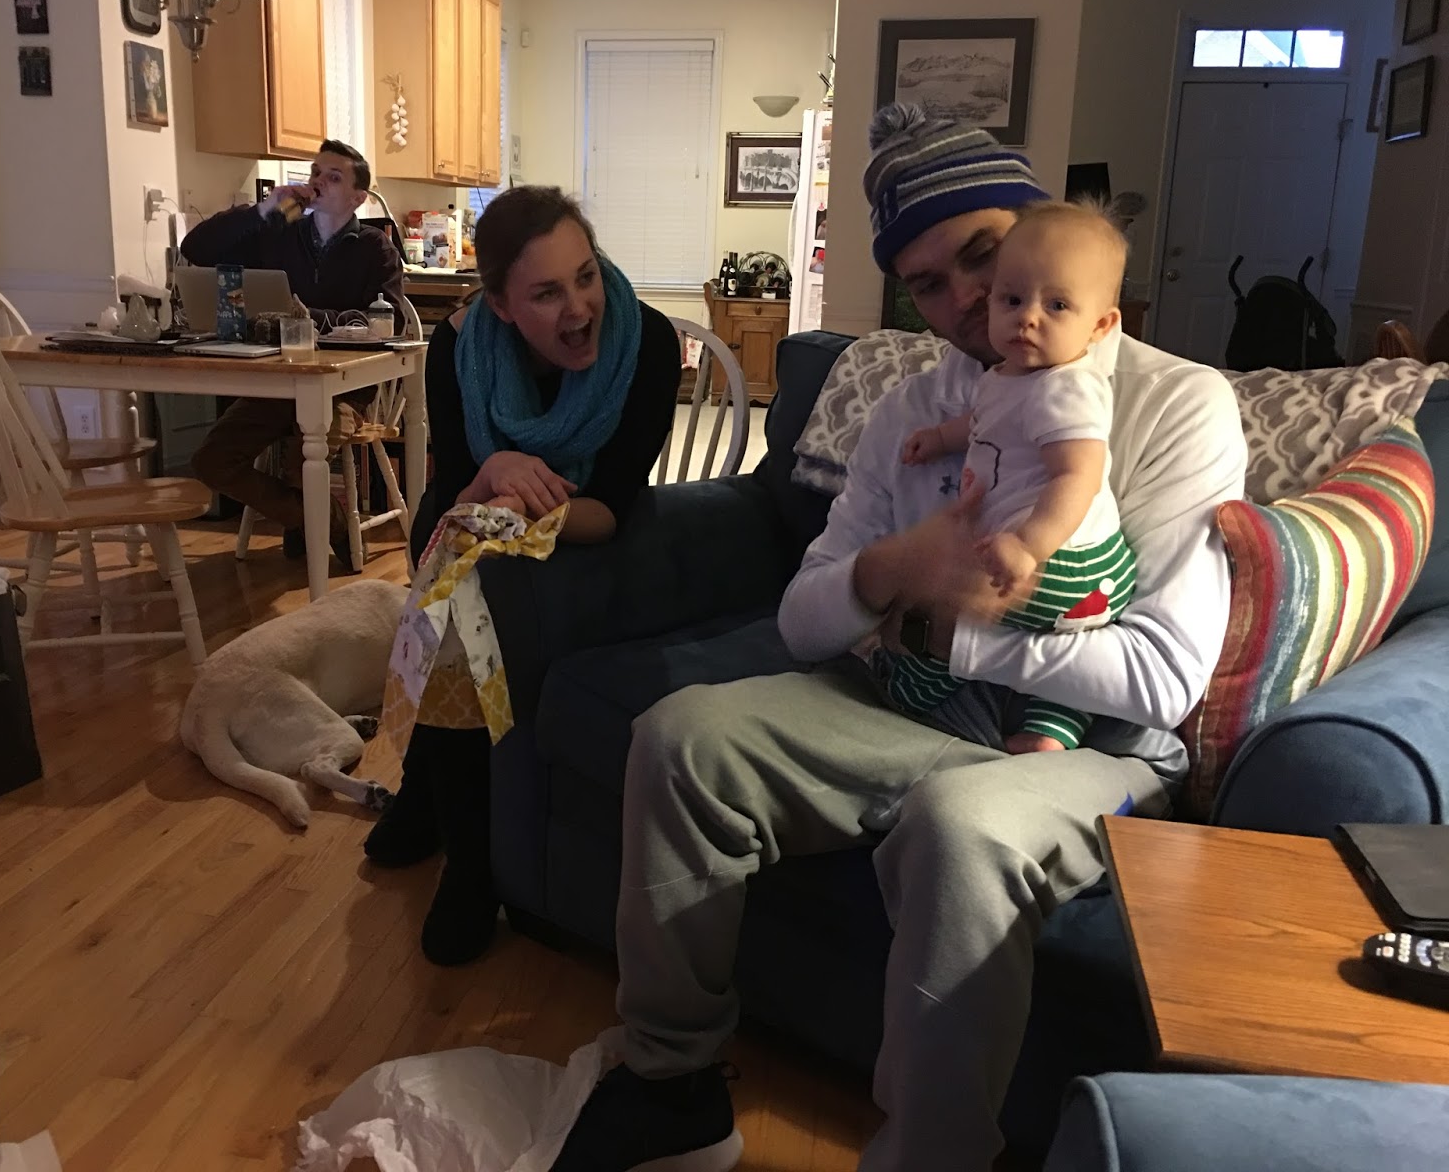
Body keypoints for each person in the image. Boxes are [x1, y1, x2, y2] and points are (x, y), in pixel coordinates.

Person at [546, 102, 1247, 1172]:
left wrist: (948, 629)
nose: (965, 302)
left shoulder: (1178, 406)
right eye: (926, 282)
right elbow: (803, 618)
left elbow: (1159, 682)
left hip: (1086, 746)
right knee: (681, 738)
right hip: (906, 706)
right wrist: (888, 571)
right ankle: (670, 1082)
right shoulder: (911, 409)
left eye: (982, 254)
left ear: (1037, 232)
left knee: (962, 824)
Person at [364, 185, 682, 968]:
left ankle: (462, 850)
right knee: (452, 562)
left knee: (459, 570)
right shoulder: (459, 345)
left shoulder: (649, 344)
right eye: (546, 293)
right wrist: (495, 474)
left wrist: (514, 510)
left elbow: (612, 505)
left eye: (586, 276)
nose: (580, 308)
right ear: (500, 305)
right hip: (482, 510)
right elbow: (457, 488)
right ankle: (446, 807)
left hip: (589, 532)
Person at [892, 199, 1135, 755]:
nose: (1028, 317)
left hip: (1065, 561)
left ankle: (910, 687)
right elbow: (985, 421)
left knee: (958, 603)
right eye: (1012, 299)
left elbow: (1078, 475)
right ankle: (1051, 731)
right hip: (1078, 580)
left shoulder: (1067, 386)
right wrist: (940, 439)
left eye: (1057, 305)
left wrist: (1028, 545)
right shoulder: (1012, 375)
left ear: (1100, 326)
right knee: (1059, 641)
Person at [184, 139, 405, 564]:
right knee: (211, 461)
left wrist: (306, 317)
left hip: (344, 388)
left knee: (304, 456)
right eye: (316, 172)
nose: (319, 182)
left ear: (358, 198)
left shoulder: (374, 246)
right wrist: (264, 209)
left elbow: (386, 321)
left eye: (334, 177)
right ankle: (326, 523)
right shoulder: (281, 232)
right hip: (279, 382)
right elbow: (196, 250)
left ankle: (305, 523)